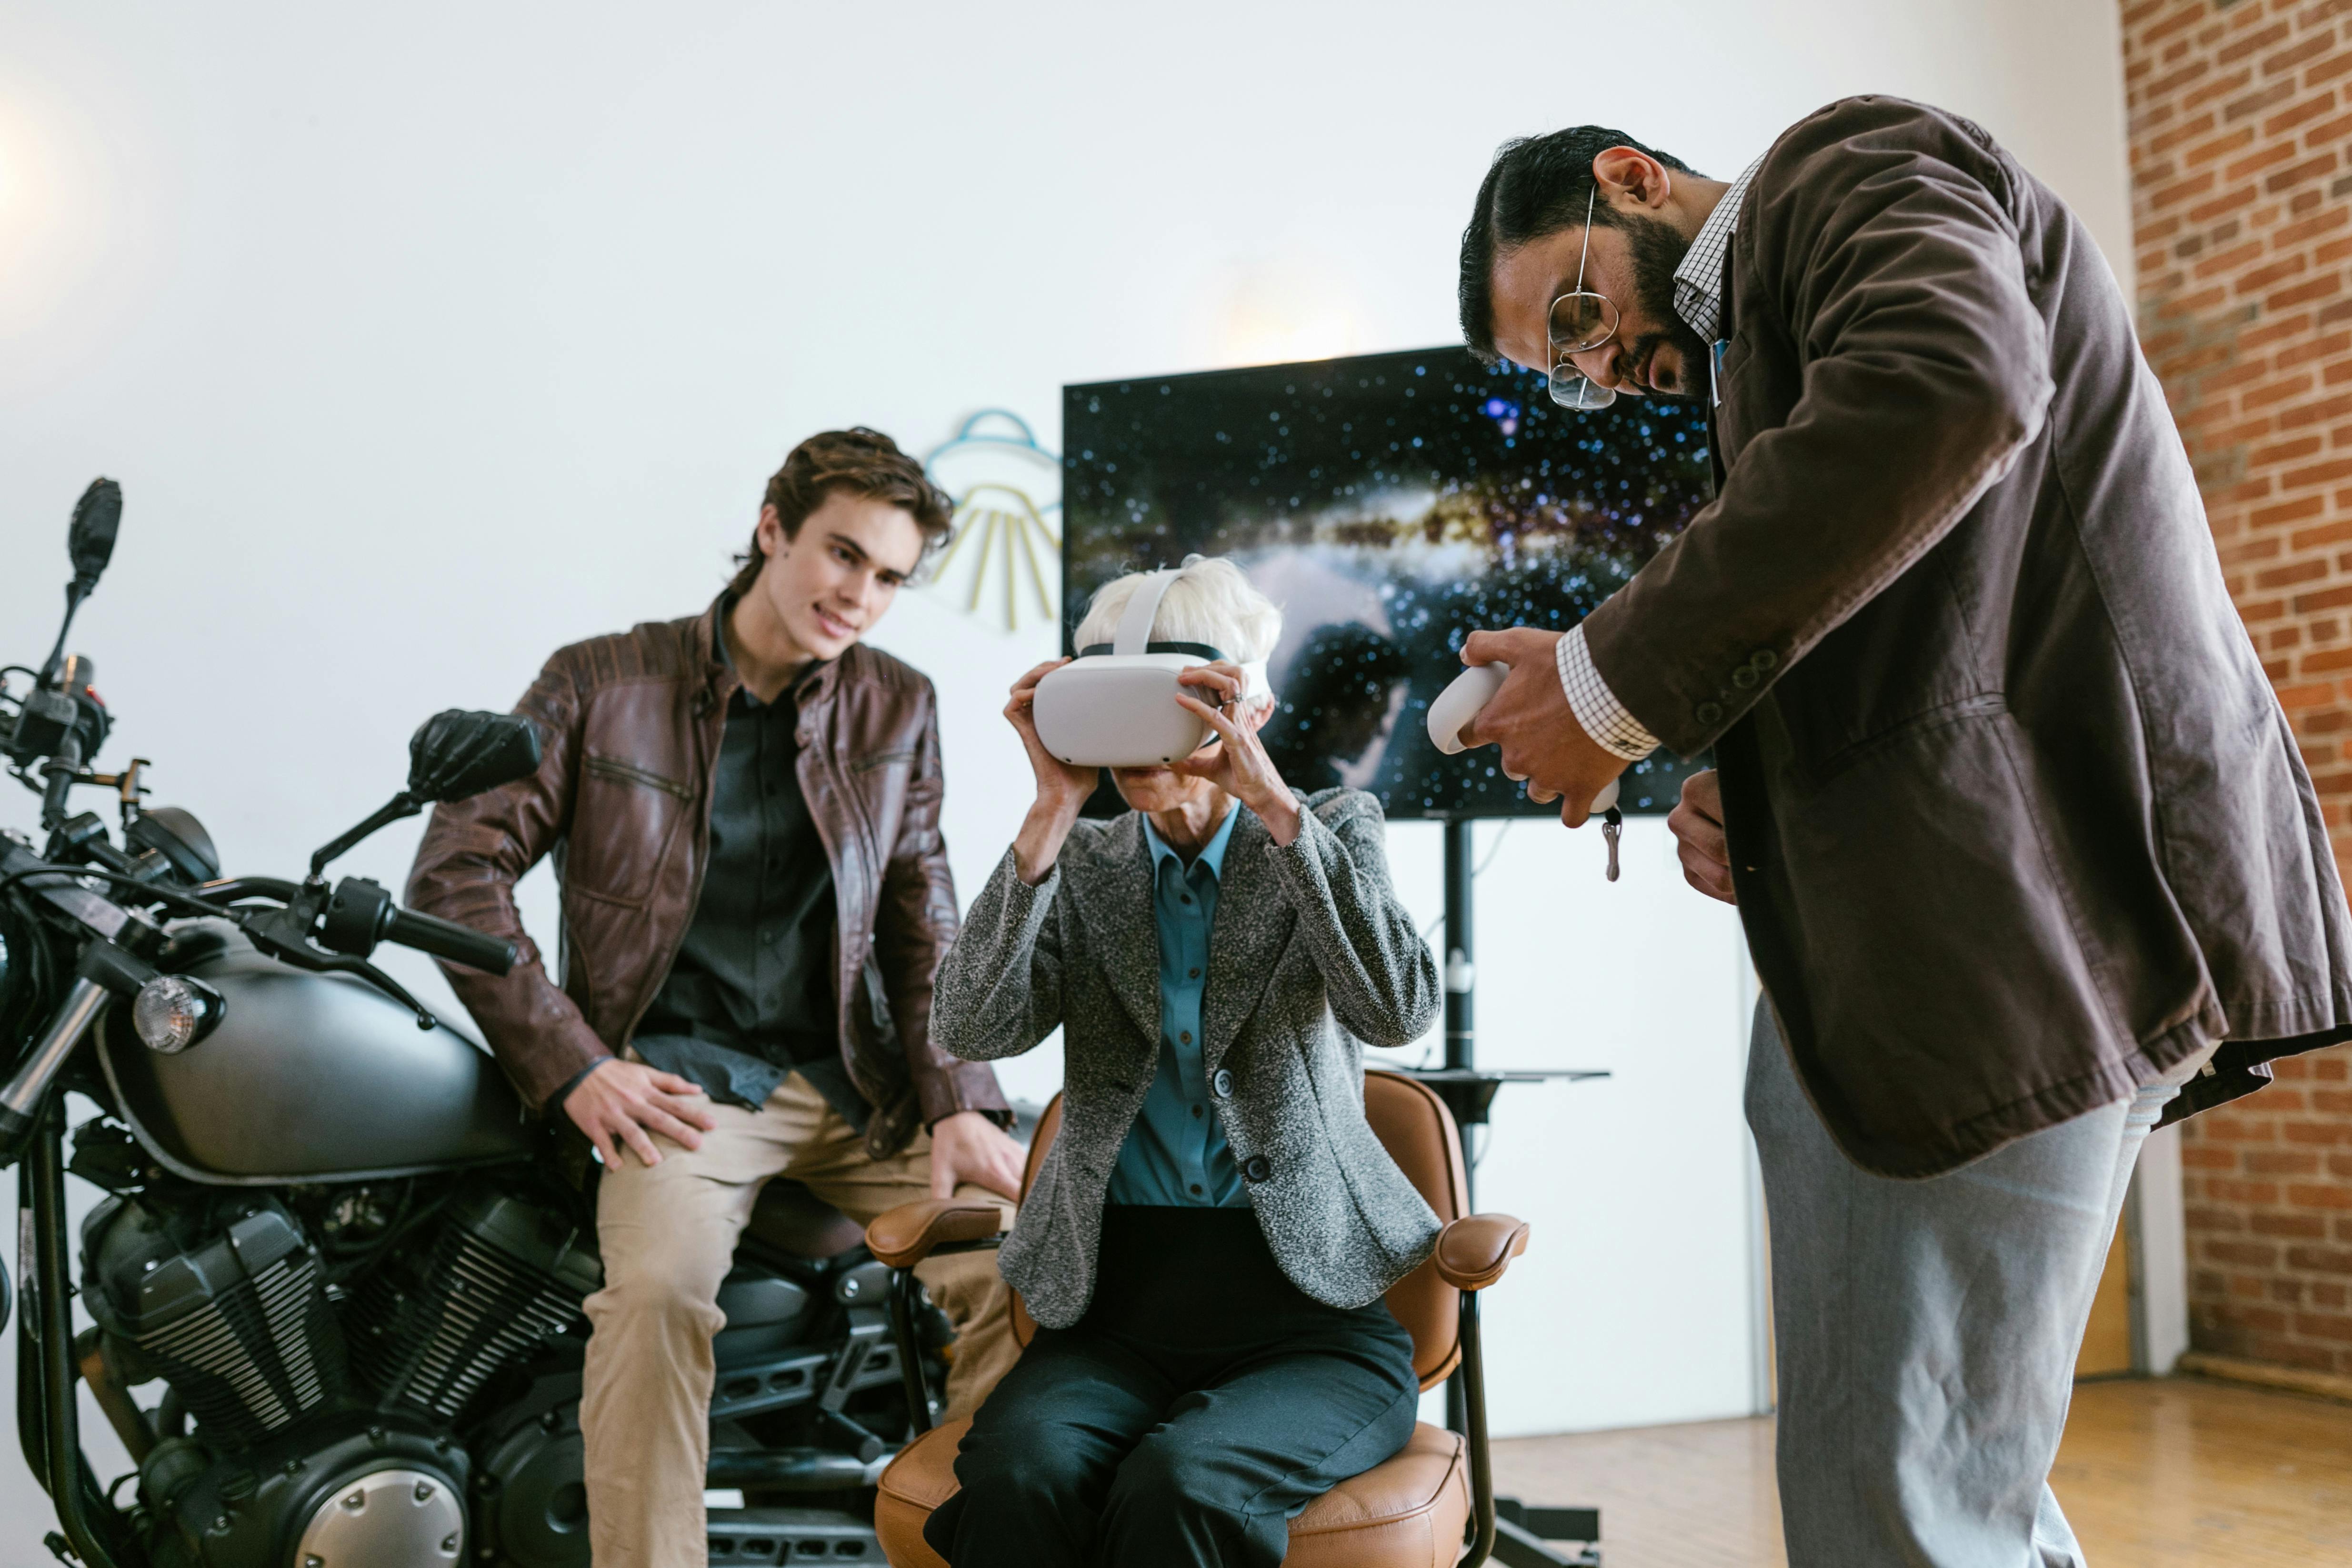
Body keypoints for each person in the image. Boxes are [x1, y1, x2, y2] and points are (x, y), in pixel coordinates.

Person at [1451, 99, 2352, 1565]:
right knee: (1944, 1491)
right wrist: (1744, 779)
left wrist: (1609, 684)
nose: (1601, 365)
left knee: (1905, 1505)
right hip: (1989, 915)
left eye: (1577, 311)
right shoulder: (1768, 368)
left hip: (2017, 916)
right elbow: (1927, 594)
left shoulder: (1846, 163)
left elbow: (1951, 387)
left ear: (1630, 182)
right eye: (1568, 374)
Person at [406, 428, 1028, 1568]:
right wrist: (576, 1064)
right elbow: (456, 870)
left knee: (1034, 1258)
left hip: (859, 1085)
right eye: (841, 555)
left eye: (889, 577)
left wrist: (960, 1100)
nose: (860, 595)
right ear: (771, 528)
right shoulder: (602, 679)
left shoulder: (898, 706)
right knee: (654, 1303)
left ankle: (978, 1545)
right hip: (681, 1084)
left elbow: (920, 916)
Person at [920, 556, 1441, 1568]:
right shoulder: (1085, 864)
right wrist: (1048, 811)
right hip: (1118, 1312)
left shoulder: (1327, 830)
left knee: (1184, 1483)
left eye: (1169, 701)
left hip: (1309, 1316)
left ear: (1246, 703)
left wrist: (1278, 809)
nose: (1137, 742)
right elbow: (972, 1026)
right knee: (1021, 1476)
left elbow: (1396, 1010)